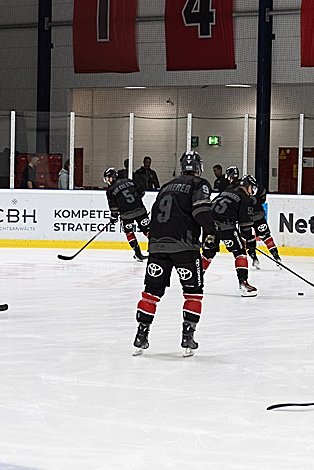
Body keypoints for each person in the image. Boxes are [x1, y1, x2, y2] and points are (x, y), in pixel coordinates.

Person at [132, 150, 214, 357]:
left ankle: (141, 336)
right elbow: (200, 210)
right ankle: (188, 337)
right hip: (184, 247)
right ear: (199, 168)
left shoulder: (166, 186)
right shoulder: (200, 184)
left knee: (150, 293)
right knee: (193, 292)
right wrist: (212, 233)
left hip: (157, 246)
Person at [202, 173, 258, 297]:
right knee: (240, 253)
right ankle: (243, 284)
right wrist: (250, 242)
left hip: (208, 224)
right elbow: (245, 226)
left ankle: (196, 280)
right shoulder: (245, 199)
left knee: (208, 253)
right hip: (225, 226)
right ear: (248, 186)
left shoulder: (228, 191)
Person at [104, 166, 150, 262]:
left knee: (129, 233)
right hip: (140, 209)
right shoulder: (128, 181)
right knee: (147, 230)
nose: (107, 181)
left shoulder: (110, 190)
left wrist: (113, 217)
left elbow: (113, 207)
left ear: (111, 178)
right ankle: (154, 250)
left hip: (126, 214)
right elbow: (141, 191)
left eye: (107, 179)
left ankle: (138, 254)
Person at [244, 178, 281, 269]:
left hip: (246, 218)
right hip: (258, 216)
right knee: (266, 236)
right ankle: (276, 257)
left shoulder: (242, 190)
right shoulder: (260, 189)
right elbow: (263, 199)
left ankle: (254, 258)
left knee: (248, 239)